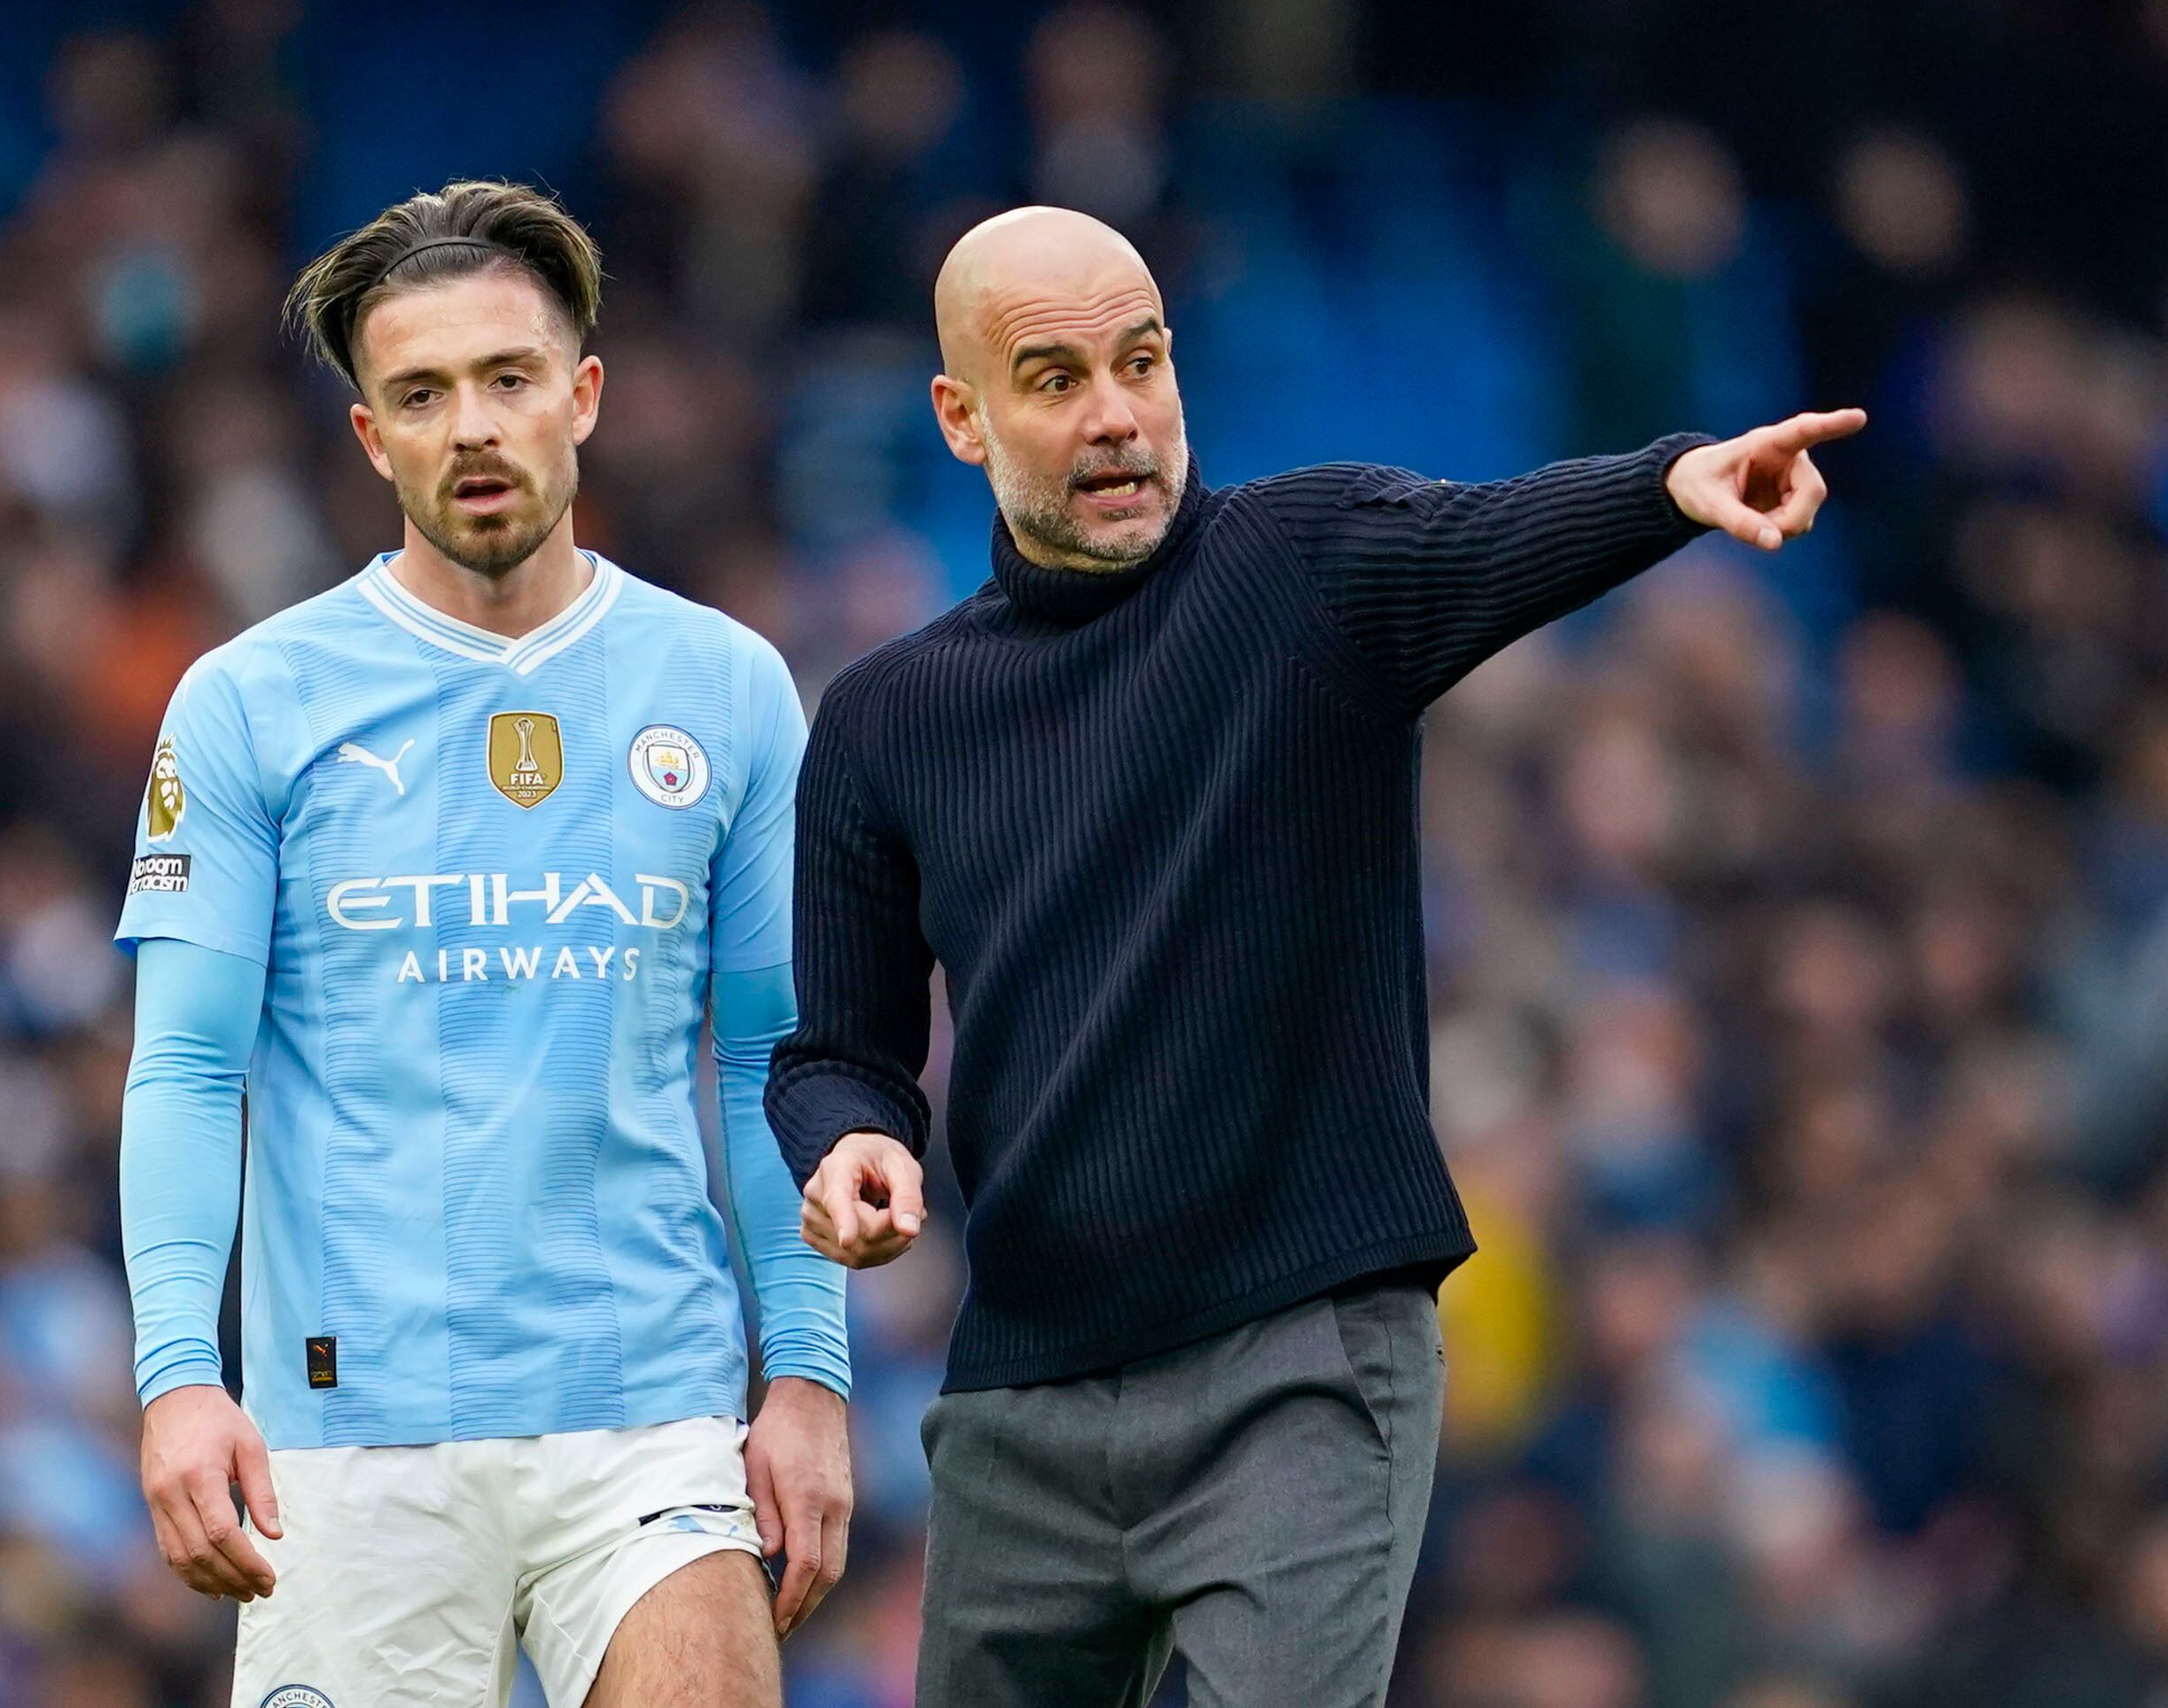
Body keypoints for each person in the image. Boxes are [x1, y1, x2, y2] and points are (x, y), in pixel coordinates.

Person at [766, 204, 1860, 1704]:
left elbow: (1494, 536)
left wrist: (1671, 484)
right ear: (960, 417)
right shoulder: (886, 718)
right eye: (1055, 378)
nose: (1116, 414)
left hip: (1299, 1361)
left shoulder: (1306, 562)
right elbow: (839, 1053)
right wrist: (850, 1145)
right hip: (1027, 1389)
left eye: (1141, 361)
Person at [117, 180, 852, 1708]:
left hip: (649, 1413)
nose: (471, 427)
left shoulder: (726, 688)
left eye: (508, 378)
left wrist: (807, 1373)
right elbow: (187, 1064)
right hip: (349, 1425)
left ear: (582, 395)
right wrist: (181, 1376)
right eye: (421, 394)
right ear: (369, 437)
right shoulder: (251, 701)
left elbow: (772, 1057)